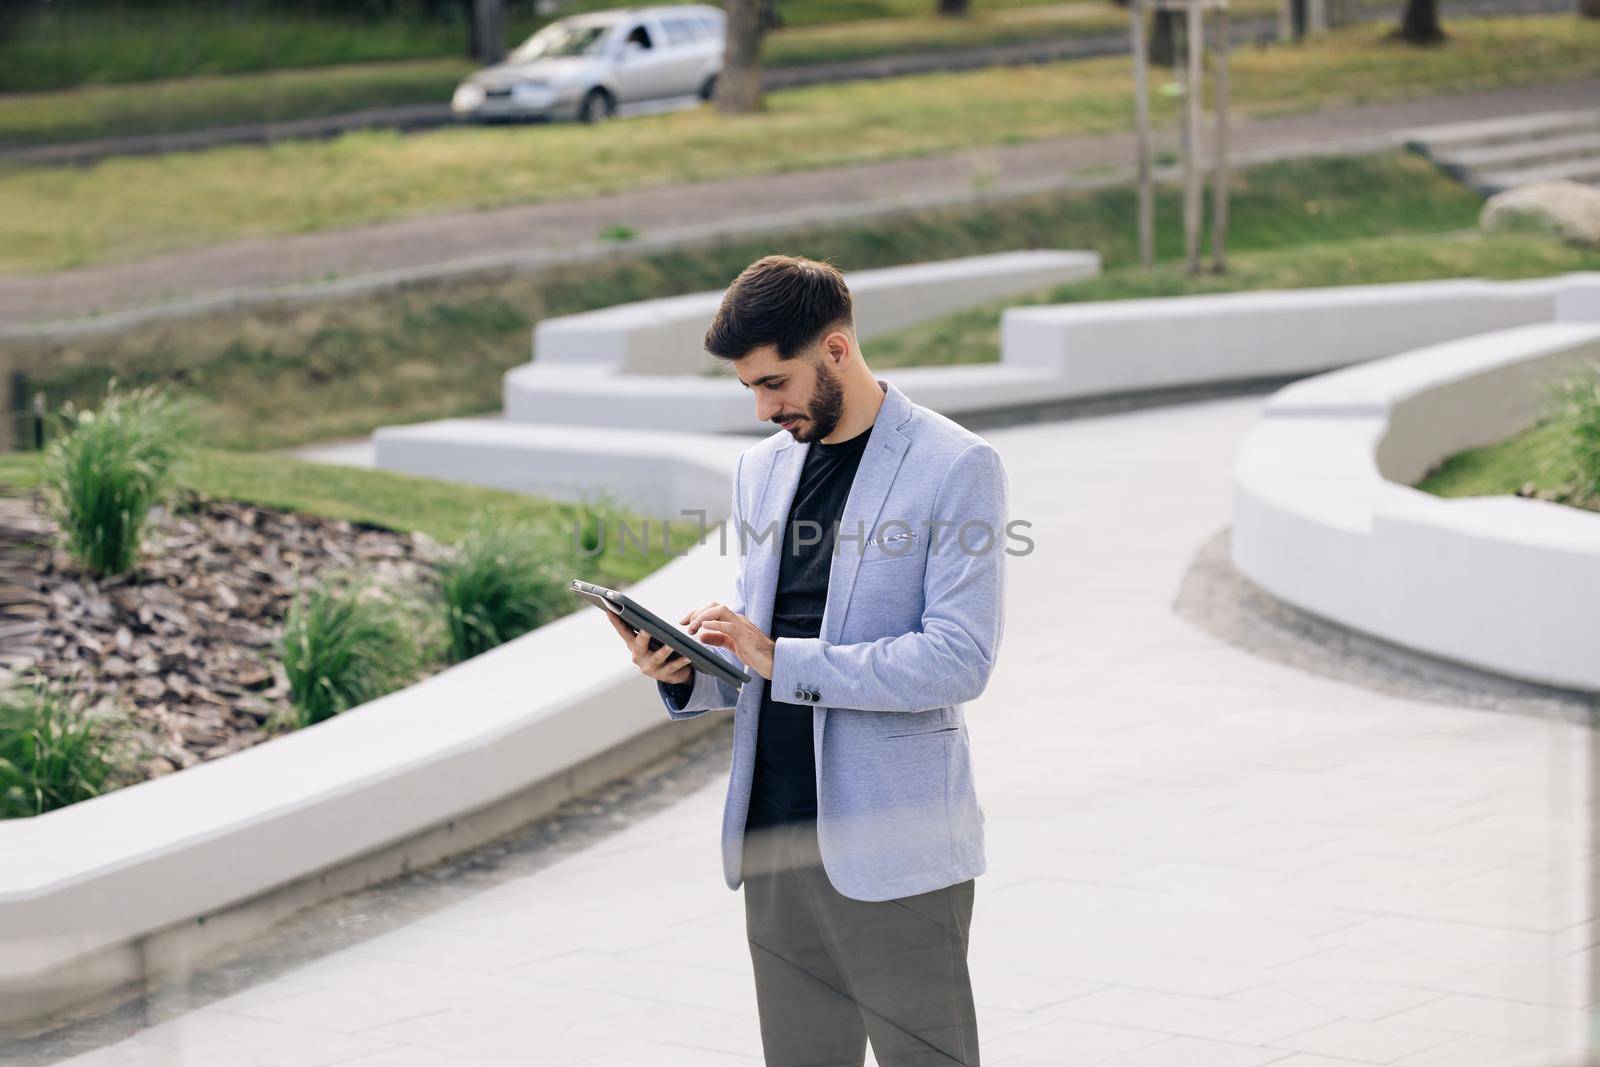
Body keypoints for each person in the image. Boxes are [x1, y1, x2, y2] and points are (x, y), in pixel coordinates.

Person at [606, 253, 1009, 1066]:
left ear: (835, 349)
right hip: (775, 837)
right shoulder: (763, 469)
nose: (763, 408)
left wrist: (777, 655)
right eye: (750, 388)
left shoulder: (956, 465)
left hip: (895, 842)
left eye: (774, 383)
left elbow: (958, 659)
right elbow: (765, 651)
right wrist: (690, 669)